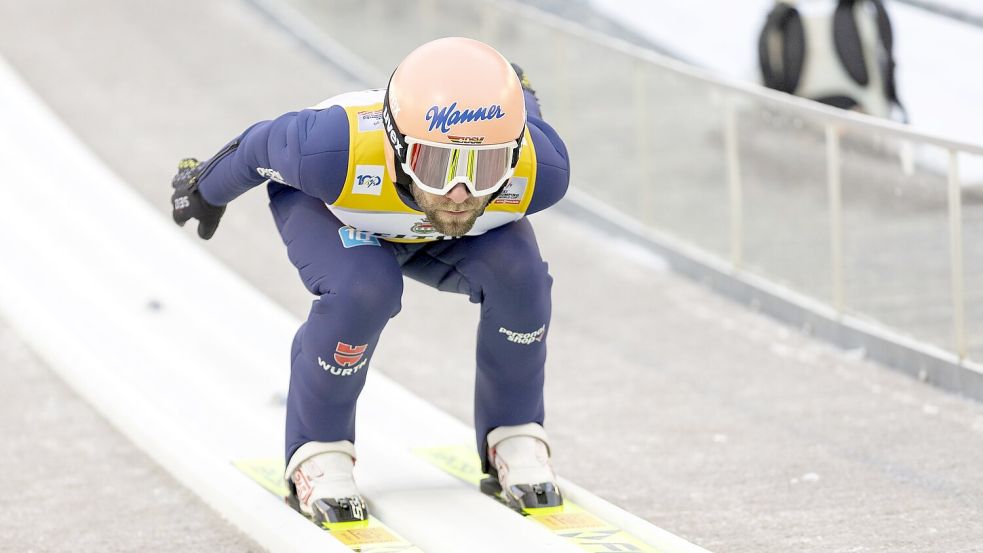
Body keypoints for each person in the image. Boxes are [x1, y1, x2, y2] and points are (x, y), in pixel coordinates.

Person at [170, 37, 571, 527]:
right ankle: (319, 447)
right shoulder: (330, 149)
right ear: (397, 145)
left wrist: (509, 80)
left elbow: (522, 111)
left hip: (427, 228)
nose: (459, 193)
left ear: (513, 155)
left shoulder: (541, 170)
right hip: (338, 212)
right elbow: (257, 148)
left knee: (523, 281)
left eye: (485, 166)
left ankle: (515, 429)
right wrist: (203, 188)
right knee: (365, 288)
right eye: (437, 164)